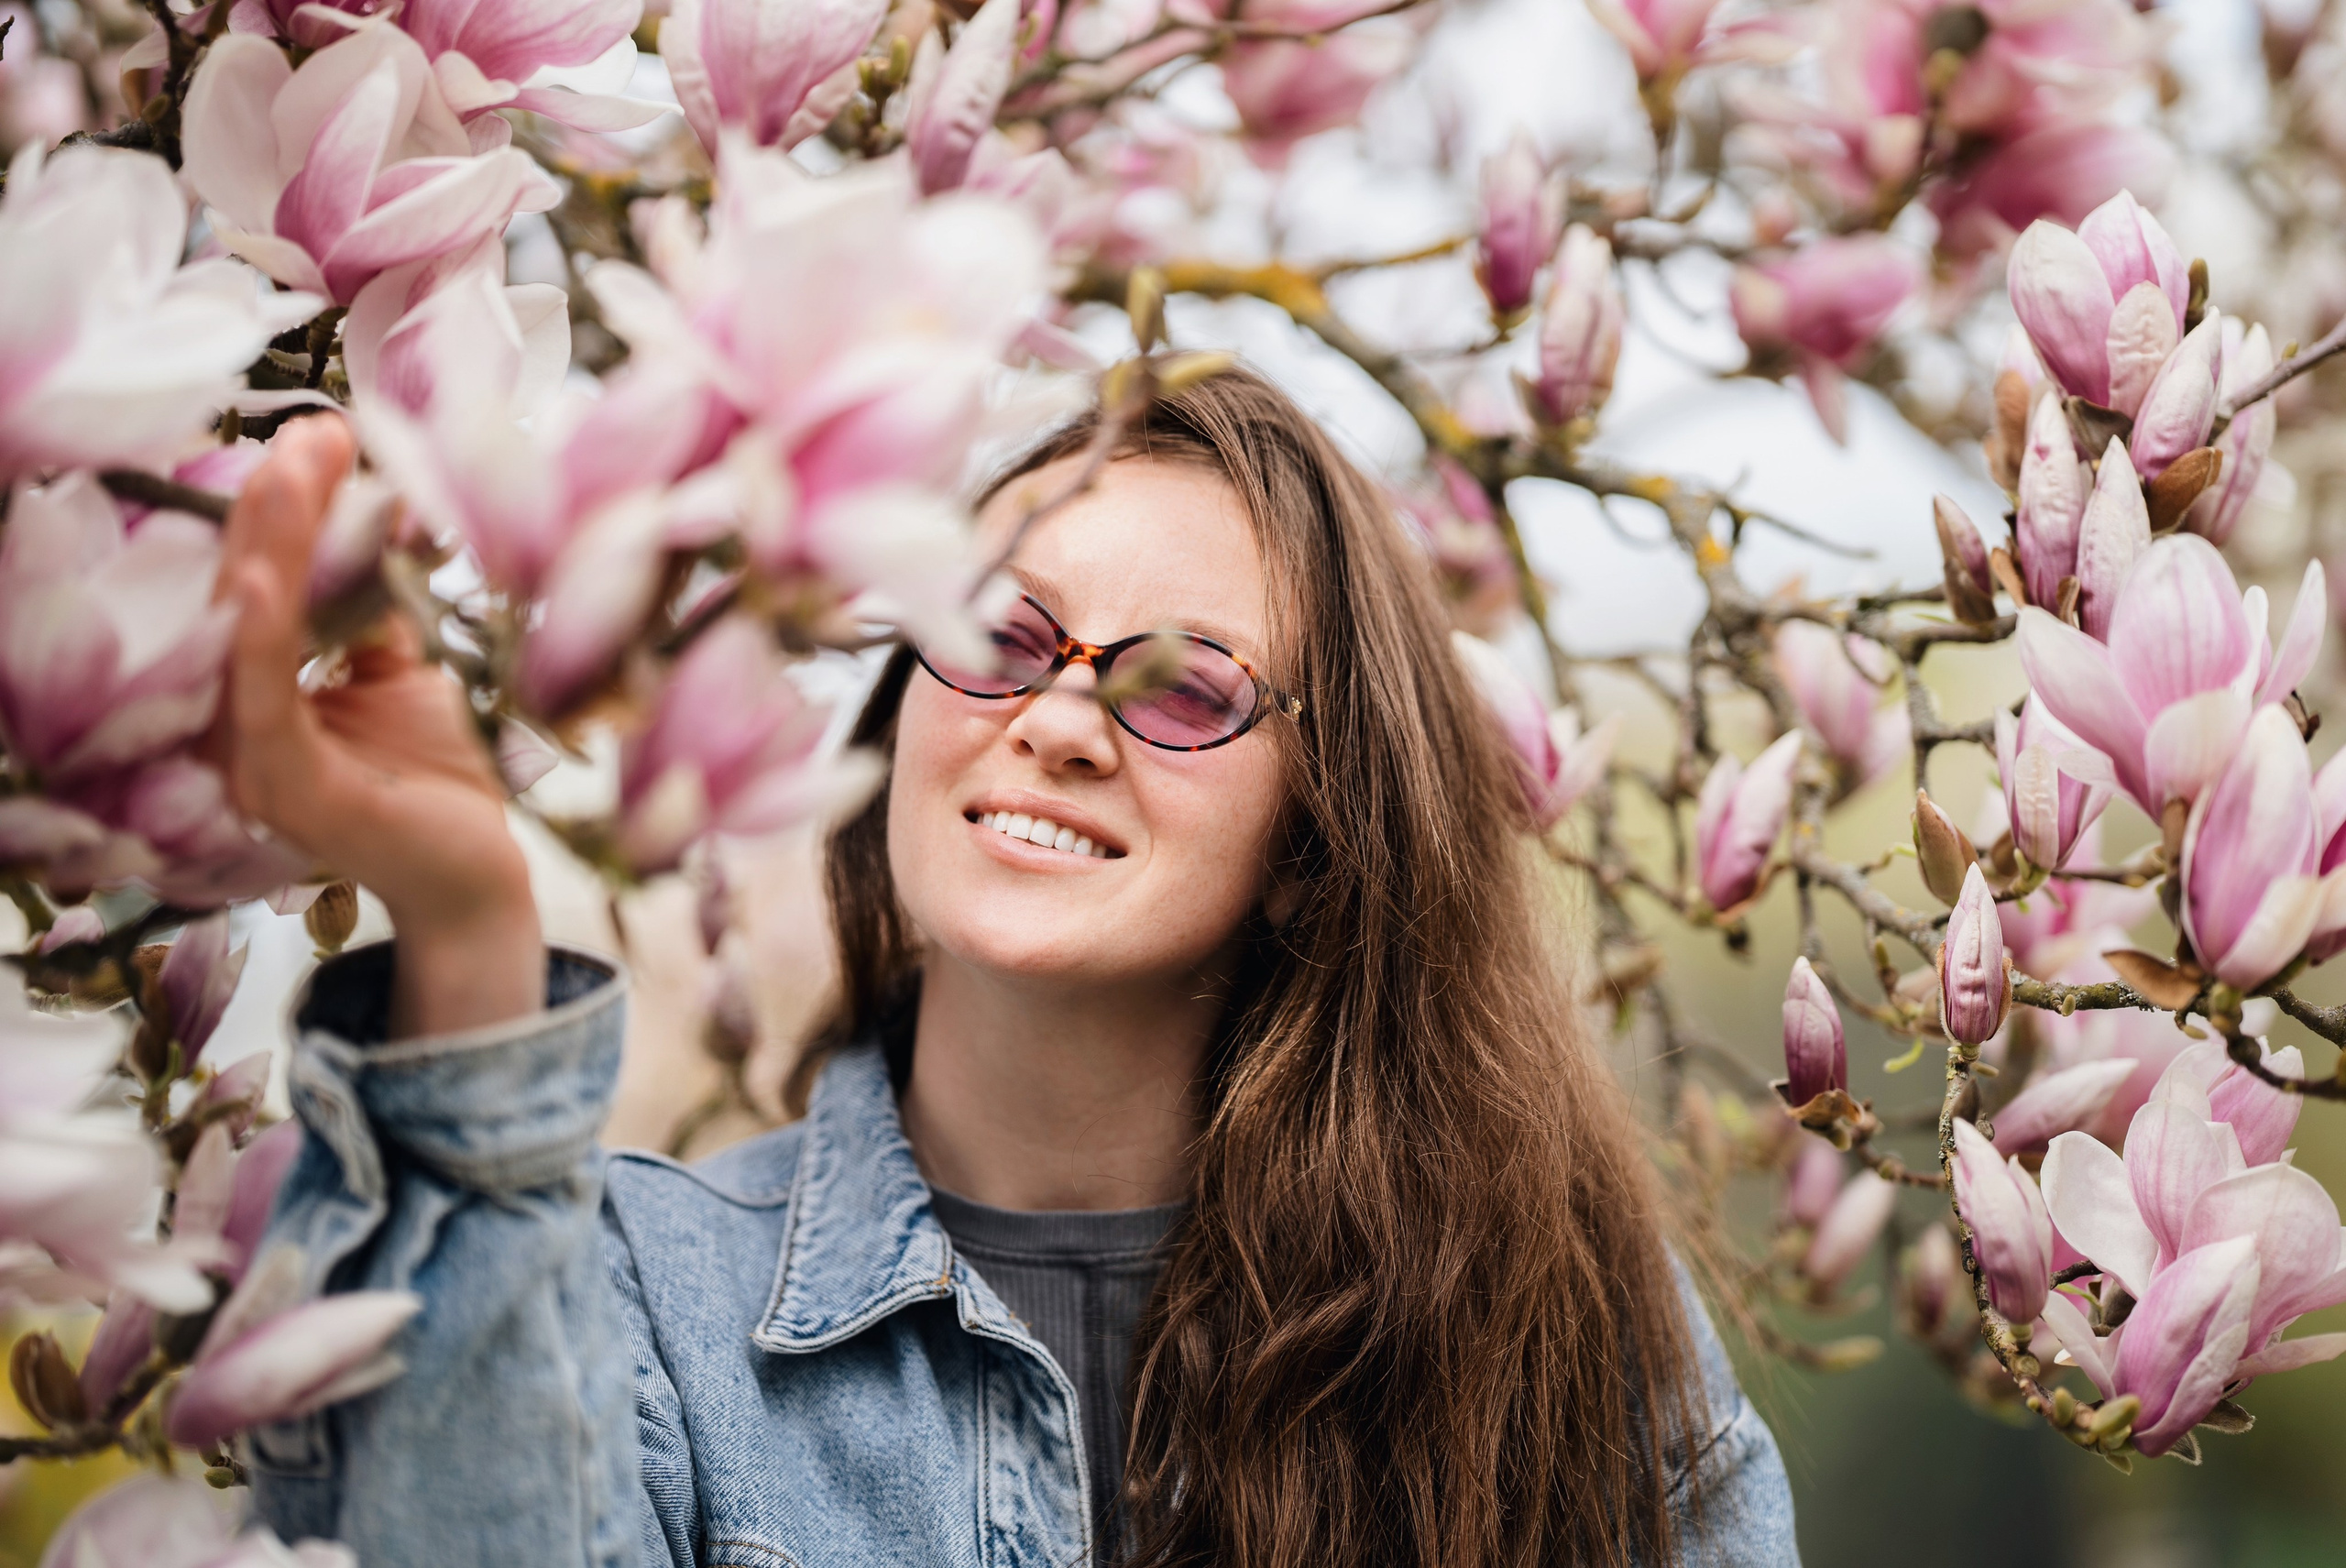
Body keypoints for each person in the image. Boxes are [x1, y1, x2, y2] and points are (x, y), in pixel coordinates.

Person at [216, 370, 1799, 1568]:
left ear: (1322, 828)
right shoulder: (643, 1297)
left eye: (1185, 688)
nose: (1054, 720)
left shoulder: (1554, 1325)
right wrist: (469, 931)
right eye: (997, 632)